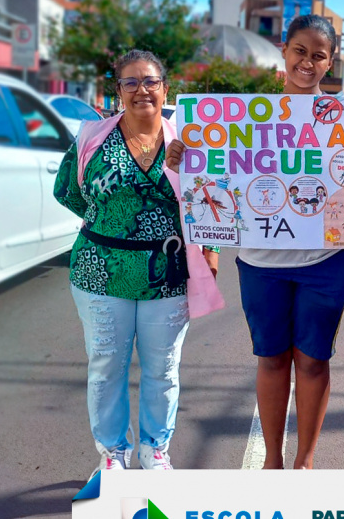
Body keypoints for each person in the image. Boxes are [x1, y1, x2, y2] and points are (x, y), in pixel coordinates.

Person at [166, 15, 344, 469]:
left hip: (326, 259)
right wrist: (183, 159)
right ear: (284, 50)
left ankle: (305, 460)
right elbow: (215, 176)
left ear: (330, 61)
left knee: (313, 361)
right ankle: (273, 460)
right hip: (260, 260)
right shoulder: (246, 117)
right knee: (272, 357)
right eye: (300, 50)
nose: (308, 62)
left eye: (319, 55)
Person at [54, 49, 223, 477]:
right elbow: (67, 191)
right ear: (118, 92)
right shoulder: (93, 138)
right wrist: (111, 226)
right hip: (99, 272)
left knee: (162, 369)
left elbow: (214, 197)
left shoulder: (189, 141)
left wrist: (211, 248)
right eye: (130, 82)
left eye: (150, 81)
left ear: (165, 89)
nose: (141, 90)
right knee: (106, 365)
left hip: (166, 275)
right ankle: (112, 453)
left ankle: (155, 449)